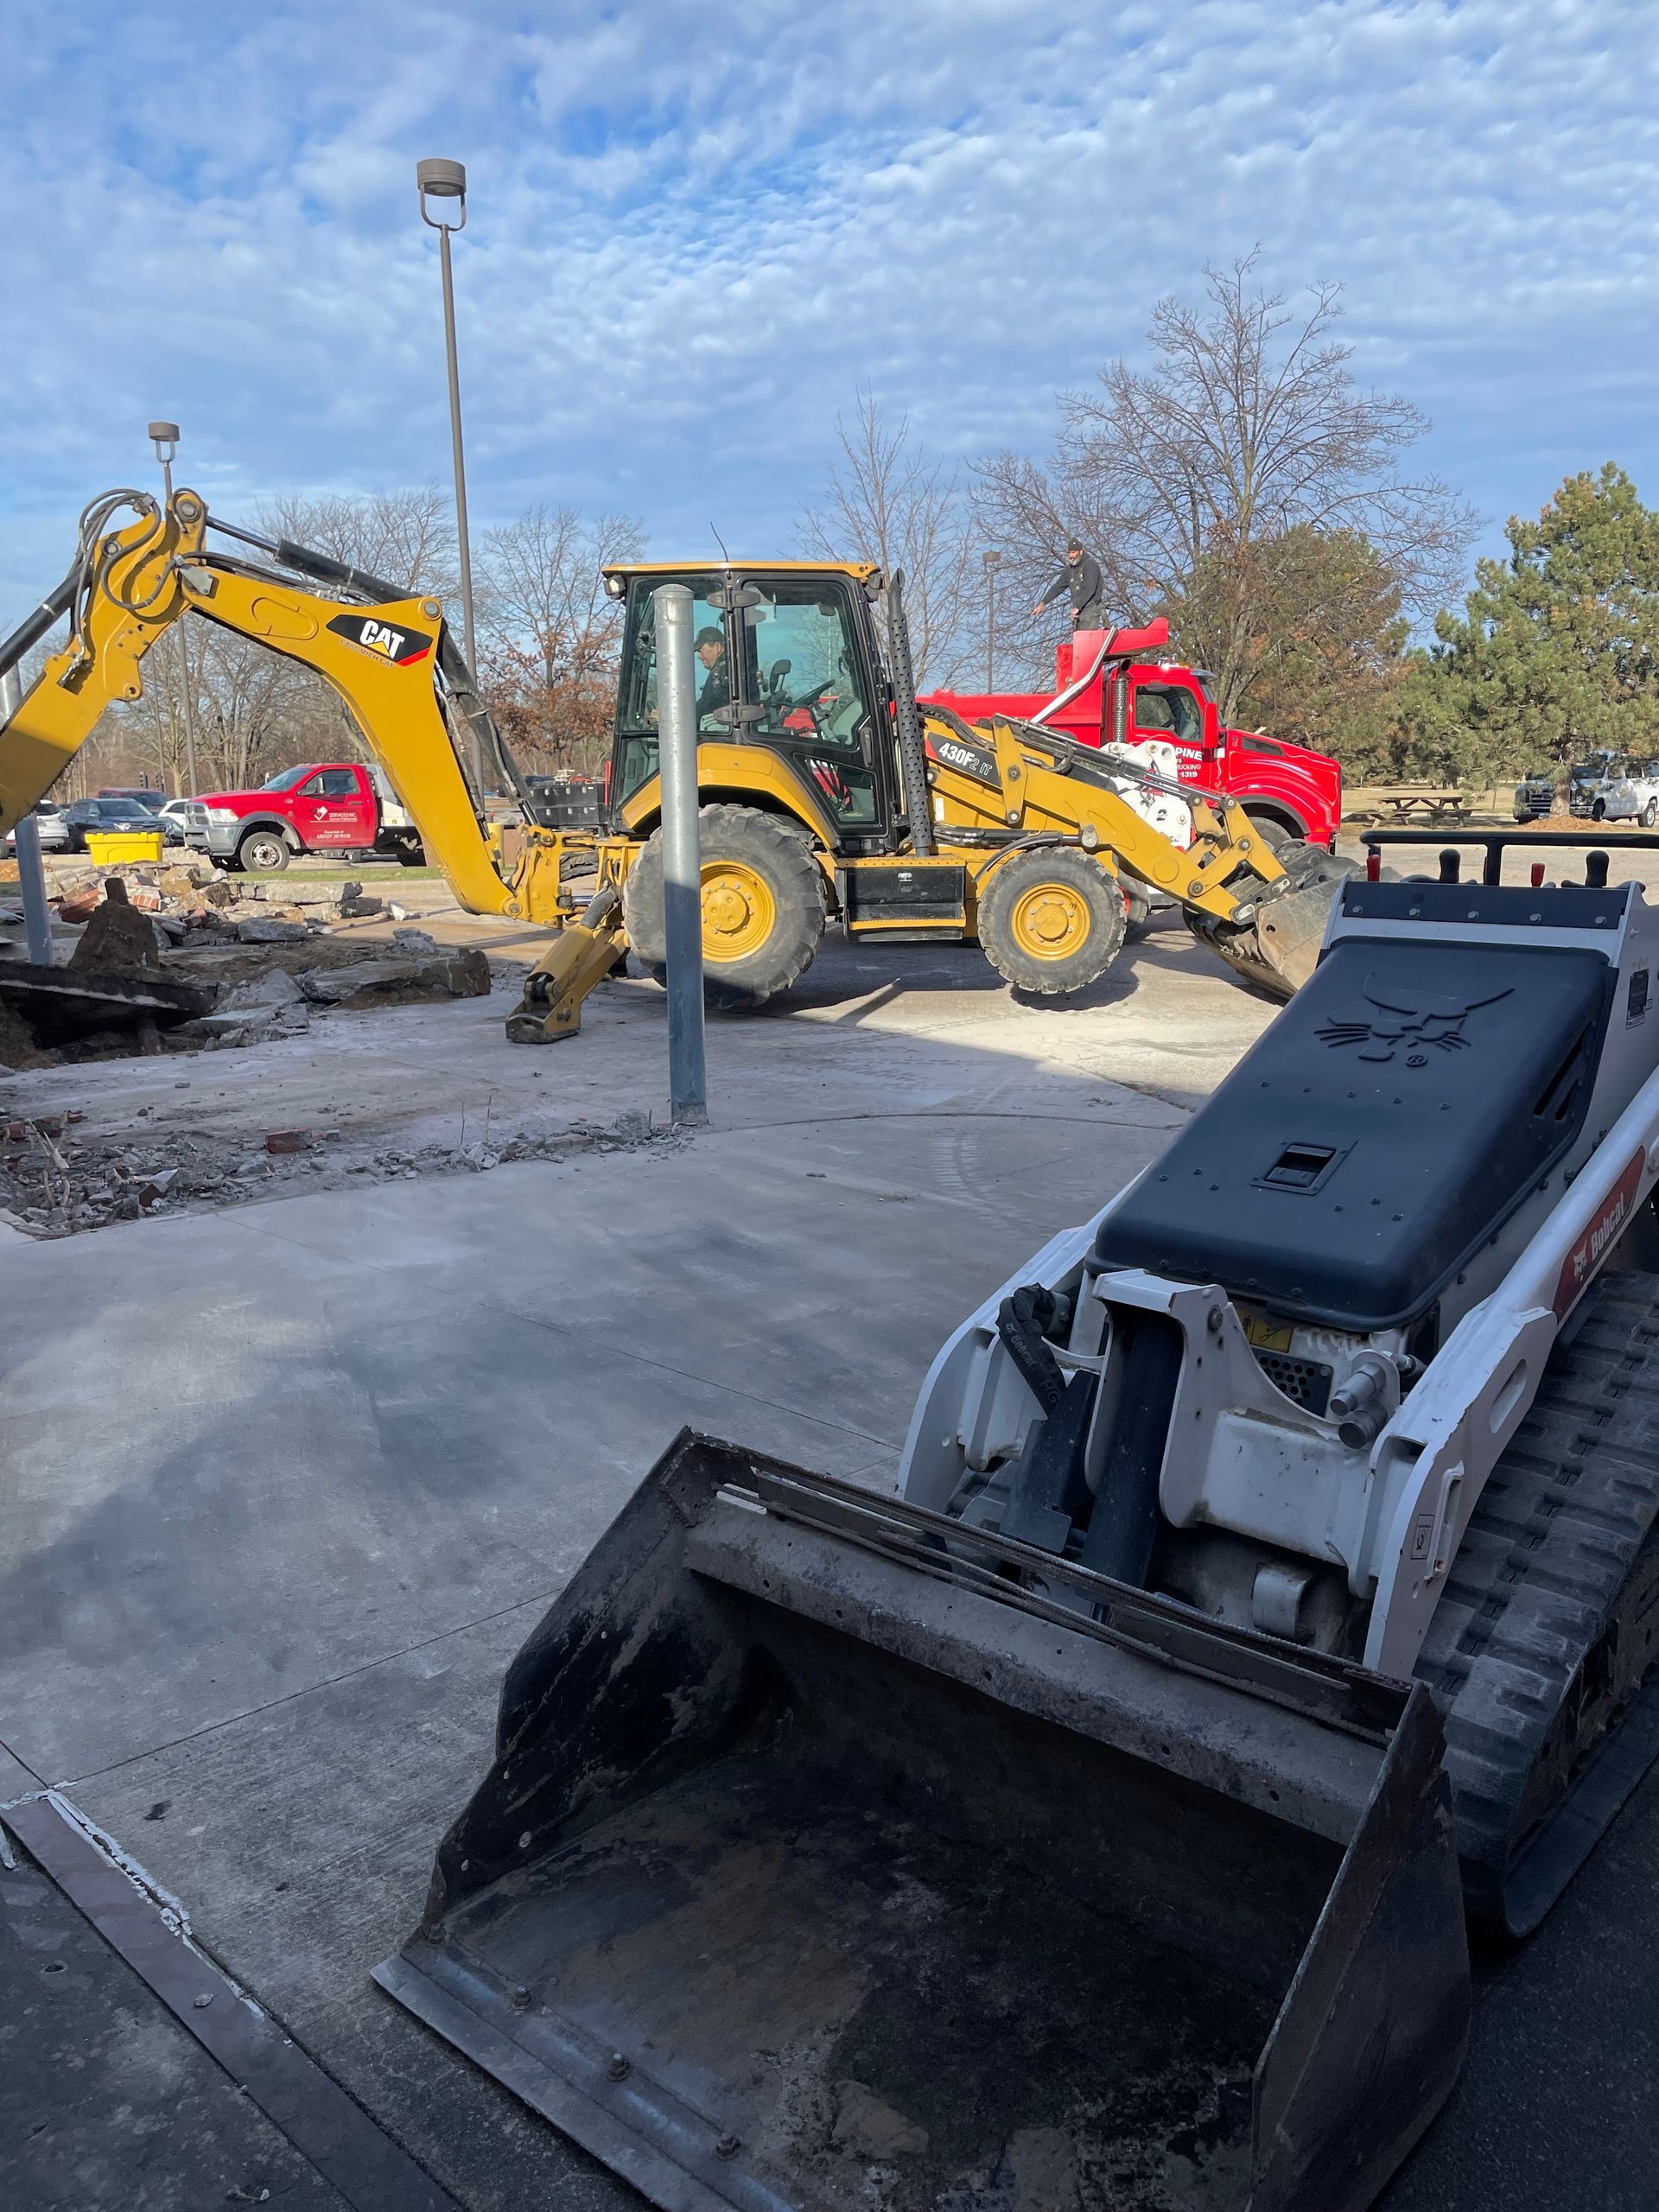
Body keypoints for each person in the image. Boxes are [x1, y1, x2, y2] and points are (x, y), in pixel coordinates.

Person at [1033, 540, 1105, 628]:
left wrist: (1078, 607)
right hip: (1078, 612)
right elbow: (1057, 587)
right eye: (1069, 553)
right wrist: (1042, 603)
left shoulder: (1090, 564)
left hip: (1091, 610)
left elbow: (1090, 589)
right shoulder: (1070, 570)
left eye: (1074, 552)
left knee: (1088, 639)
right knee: (1079, 639)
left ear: (1081, 552)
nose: (1071, 556)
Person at [694, 626, 730, 727]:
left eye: (701, 650)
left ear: (717, 647)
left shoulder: (720, 673)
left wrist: (669, 718)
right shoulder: (728, 668)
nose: (699, 656)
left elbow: (705, 708)